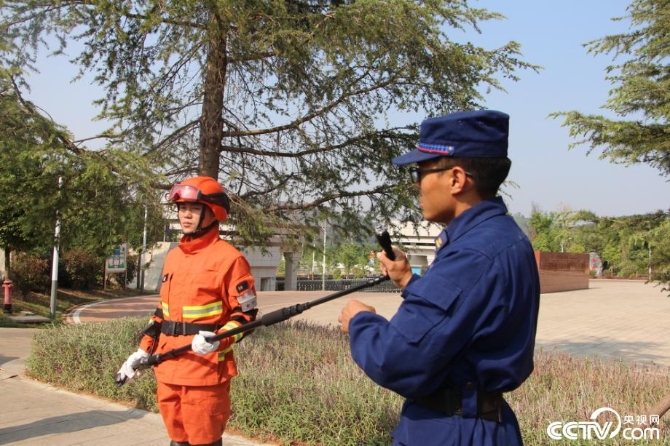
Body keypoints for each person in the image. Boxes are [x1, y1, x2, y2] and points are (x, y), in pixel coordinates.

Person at [338, 110, 540, 445]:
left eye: (422, 170)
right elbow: (463, 318)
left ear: (456, 179)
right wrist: (407, 281)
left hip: (453, 430)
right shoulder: (503, 237)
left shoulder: (472, 254)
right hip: (483, 424)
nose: (417, 183)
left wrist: (361, 321)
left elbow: (397, 360)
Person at [117, 176, 259, 446]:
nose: (186, 214)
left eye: (194, 208)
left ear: (213, 212)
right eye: (182, 208)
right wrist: (143, 349)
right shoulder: (174, 257)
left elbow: (246, 317)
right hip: (167, 366)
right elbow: (162, 312)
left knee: (203, 440)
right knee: (177, 439)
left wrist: (218, 340)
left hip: (204, 371)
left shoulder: (230, 259)